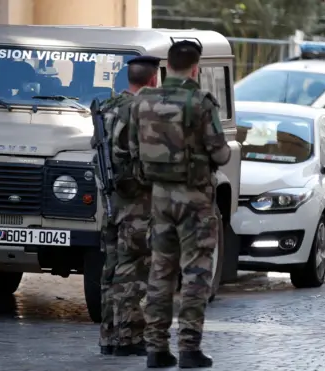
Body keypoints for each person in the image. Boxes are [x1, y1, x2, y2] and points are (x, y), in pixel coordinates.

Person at [128, 40, 231, 369]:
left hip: (159, 195)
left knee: (160, 270)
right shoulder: (200, 102)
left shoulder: (142, 101)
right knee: (196, 271)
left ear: (166, 67)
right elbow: (220, 153)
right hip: (194, 199)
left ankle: (155, 348)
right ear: (195, 68)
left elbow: (132, 148)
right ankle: (189, 348)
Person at [93, 55, 160, 356]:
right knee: (133, 272)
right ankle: (129, 338)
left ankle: (108, 337)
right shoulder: (141, 112)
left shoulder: (107, 108)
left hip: (110, 203)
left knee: (111, 269)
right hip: (136, 203)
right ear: (153, 79)